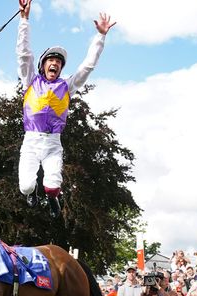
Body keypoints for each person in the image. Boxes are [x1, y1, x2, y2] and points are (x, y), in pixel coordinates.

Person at [15, 0, 115, 218]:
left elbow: (87, 66)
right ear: (43, 65)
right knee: (26, 187)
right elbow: (24, 55)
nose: (55, 64)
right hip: (31, 140)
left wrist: (101, 36)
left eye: (58, 62)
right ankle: (32, 194)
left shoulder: (67, 85)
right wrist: (24, 20)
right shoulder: (30, 80)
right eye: (51, 60)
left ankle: (52, 198)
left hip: (52, 143)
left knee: (52, 185)